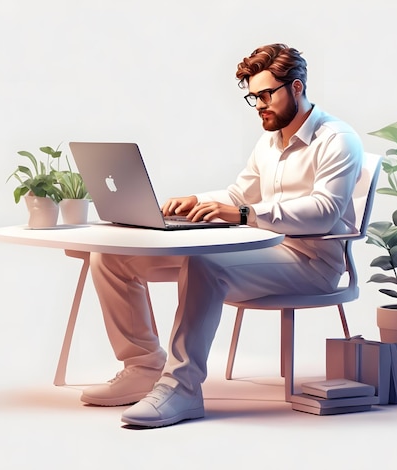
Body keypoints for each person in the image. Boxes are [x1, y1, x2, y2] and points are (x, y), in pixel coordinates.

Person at [81, 43, 364, 427]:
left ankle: (182, 388)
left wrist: (244, 214)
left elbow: (325, 212)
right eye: (253, 97)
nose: (259, 105)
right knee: (112, 256)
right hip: (263, 251)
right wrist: (197, 201)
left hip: (312, 262)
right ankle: (143, 367)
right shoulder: (270, 140)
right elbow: (238, 195)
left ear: (296, 88)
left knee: (208, 264)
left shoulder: (337, 139)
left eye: (266, 95)